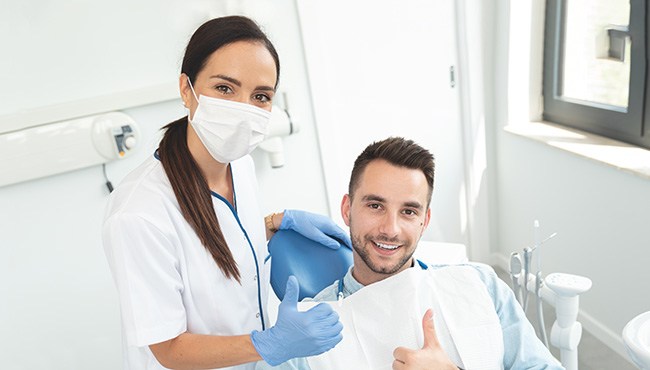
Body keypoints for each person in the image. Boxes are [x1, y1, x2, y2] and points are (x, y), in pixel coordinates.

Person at [102, 16, 347, 370]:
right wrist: (269, 343)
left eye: (261, 96)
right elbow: (169, 348)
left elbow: (210, 247)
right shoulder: (138, 214)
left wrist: (274, 224)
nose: (244, 109)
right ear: (186, 89)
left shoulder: (241, 165)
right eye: (225, 89)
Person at [258, 137, 563, 370]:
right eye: (375, 206)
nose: (390, 229)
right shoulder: (307, 330)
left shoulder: (479, 284)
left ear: (424, 221)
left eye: (408, 211)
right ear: (347, 209)